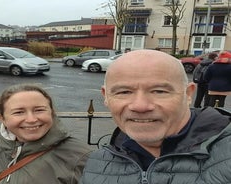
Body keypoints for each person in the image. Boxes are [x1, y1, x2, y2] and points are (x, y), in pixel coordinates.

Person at [80, 50, 231, 183]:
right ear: (106, 97)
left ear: (188, 94)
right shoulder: (97, 164)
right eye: (124, 92)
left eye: (159, 91)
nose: (140, 106)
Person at [0, 83, 93, 184]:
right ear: (2, 119)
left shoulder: (80, 156)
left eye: (39, 110)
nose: (31, 119)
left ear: (52, 112)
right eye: (19, 112)